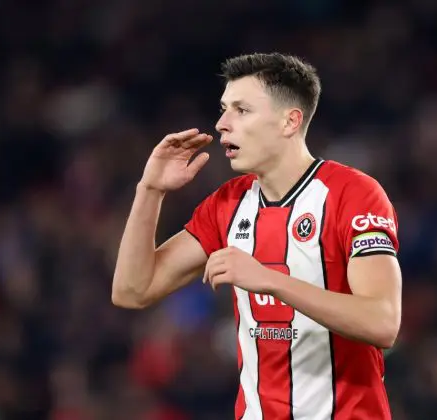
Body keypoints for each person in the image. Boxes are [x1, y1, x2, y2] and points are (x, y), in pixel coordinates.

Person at [112, 52, 402, 420]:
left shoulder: (354, 194)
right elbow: (132, 290)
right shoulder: (227, 204)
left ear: (289, 122)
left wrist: (268, 279)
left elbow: (383, 322)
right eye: (223, 109)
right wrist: (150, 189)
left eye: (242, 110)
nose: (221, 123)